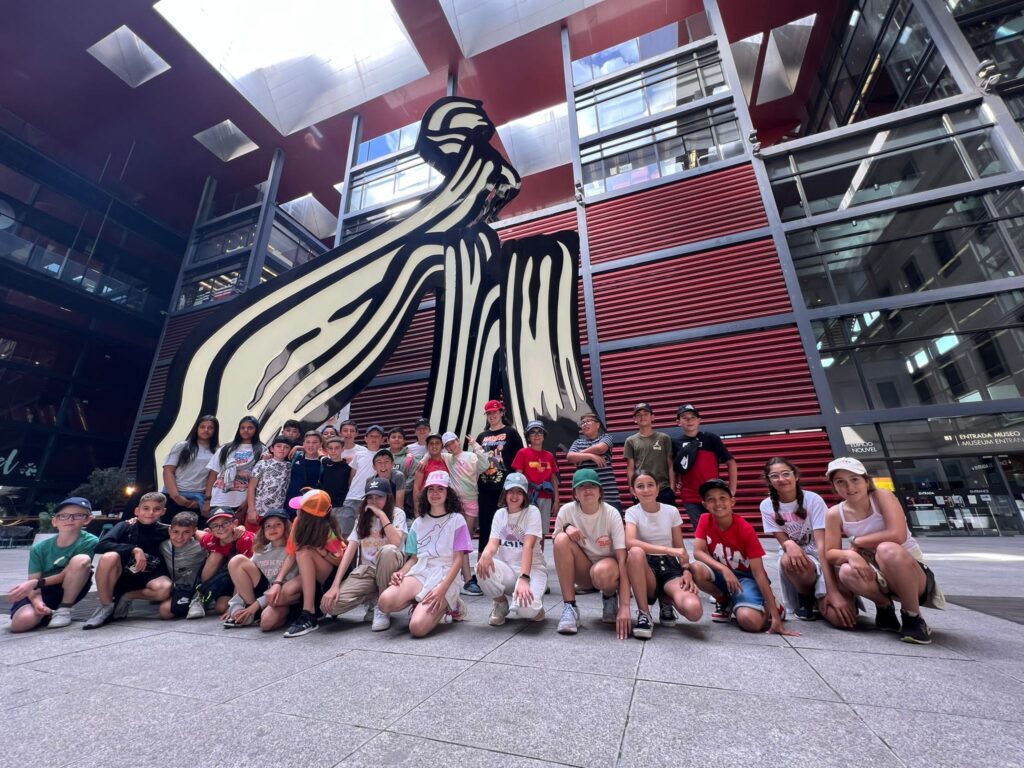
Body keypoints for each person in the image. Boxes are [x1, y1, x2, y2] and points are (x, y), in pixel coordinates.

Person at [824, 457, 945, 645]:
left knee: (886, 549)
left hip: (909, 571)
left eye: (854, 479)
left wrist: (857, 541)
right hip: (874, 573)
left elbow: (897, 535)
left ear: (866, 480)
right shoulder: (834, 513)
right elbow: (830, 552)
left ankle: (913, 616)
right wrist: (850, 554)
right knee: (847, 571)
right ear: (834, 486)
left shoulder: (882, 496)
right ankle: (884, 606)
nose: (849, 487)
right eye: (840, 482)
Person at [690, 480, 796, 636]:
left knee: (750, 622)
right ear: (705, 504)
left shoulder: (745, 529)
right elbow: (698, 552)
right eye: (711, 499)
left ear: (732, 501)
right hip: (724, 576)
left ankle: (771, 606)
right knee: (695, 569)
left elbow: (759, 573)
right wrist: (724, 569)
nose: (717, 503)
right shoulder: (705, 520)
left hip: (748, 579)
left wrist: (775, 617)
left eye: (722, 498)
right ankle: (724, 601)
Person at [760, 457, 853, 627]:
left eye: (786, 474)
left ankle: (823, 596)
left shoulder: (813, 500)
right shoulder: (766, 506)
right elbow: (783, 540)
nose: (781, 479)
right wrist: (789, 544)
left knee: (843, 621)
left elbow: (823, 546)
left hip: (822, 557)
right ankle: (806, 597)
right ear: (769, 481)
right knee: (789, 558)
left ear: (795, 476)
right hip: (800, 563)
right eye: (774, 476)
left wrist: (832, 592)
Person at [377, 471, 472, 637]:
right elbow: (413, 559)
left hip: (445, 574)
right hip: (421, 571)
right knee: (384, 602)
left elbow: (458, 560)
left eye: (440, 489)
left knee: (417, 628)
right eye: (431, 489)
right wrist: (400, 573)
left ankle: (452, 605)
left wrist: (441, 590)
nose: (435, 493)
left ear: (447, 493)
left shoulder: (457, 520)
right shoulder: (418, 523)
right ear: (425, 493)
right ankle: (419, 600)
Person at [552, 469, 630, 639]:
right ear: (575, 494)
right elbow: (557, 543)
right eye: (582, 487)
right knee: (560, 540)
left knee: (601, 571)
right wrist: (566, 527)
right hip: (584, 571)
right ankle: (570, 607)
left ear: (600, 491)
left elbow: (622, 558)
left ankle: (610, 597)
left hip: (608, 571)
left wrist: (625, 606)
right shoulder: (567, 511)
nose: (587, 490)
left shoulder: (611, 513)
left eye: (592, 486)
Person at [320, 477, 407, 631]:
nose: (374, 501)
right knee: (329, 606)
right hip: (367, 571)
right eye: (370, 497)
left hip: (391, 569)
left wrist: (381, 515)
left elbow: (396, 542)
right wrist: (335, 585)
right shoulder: (362, 518)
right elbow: (350, 550)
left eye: (379, 497)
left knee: (387, 551)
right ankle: (372, 597)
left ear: (388, 497)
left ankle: (382, 608)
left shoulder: (397, 513)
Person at [624, 473, 702, 639]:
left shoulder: (671, 511)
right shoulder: (632, 512)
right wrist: (667, 550)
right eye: (640, 486)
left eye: (650, 484)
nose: (646, 490)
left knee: (694, 610)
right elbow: (630, 542)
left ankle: (666, 599)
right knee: (635, 552)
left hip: (670, 567)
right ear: (633, 491)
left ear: (658, 489)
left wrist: (687, 571)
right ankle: (644, 613)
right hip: (646, 567)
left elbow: (680, 547)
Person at [84, 492, 173, 629]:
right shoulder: (125, 526)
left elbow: (190, 530)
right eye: (146, 508)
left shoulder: (167, 529)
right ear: (137, 511)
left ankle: (127, 596)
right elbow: (101, 545)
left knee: (165, 589)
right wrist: (134, 549)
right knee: (109, 557)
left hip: (150, 575)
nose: (150, 512)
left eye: (156, 509)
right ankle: (105, 606)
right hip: (123, 573)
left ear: (163, 511)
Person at [8, 496, 97, 632]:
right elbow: (33, 582)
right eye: (64, 516)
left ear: (88, 519)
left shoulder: (90, 542)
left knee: (81, 559)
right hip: (41, 590)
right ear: (54, 521)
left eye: (78, 515)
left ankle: (64, 609)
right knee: (20, 624)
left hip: (69, 586)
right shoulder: (39, 548)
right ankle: (48, 613)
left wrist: (35, 583)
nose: (70, 520)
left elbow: (64, 575)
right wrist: (38, 603)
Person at [476, 473, 546, 625]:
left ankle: (536, 605)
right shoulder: (500, 514)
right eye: (511, 491)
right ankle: (501, 603)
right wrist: (486, 554)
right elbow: (493, 543)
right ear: (505, 493)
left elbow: (528, 545)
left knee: (526, 612)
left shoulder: (532, 512)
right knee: (481, 566)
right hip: (508, 569)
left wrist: (524, 578)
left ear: (525, 495)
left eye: (519, 491)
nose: (514, 496)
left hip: (533, 570)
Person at [282, 489, 346, 637]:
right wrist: (278, 582)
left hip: (331, 575)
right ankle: (314, 608)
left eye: (301, 510)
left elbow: (340, 561)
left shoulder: (327, 529)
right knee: (285, 593)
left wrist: (320, 550)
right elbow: (291, 555)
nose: (297, 512)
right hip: (312, 572)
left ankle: (308, 613)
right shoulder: (298, 523)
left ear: (310, 516)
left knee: (304, 552)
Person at [223, 509, 301, 630]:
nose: (272, 528)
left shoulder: (292, 550)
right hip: (261, 592)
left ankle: (263, 613)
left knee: (266, 624)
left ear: (286, 526)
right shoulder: (261, 551)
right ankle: (251, 613)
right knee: (237, 560)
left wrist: (255, 606)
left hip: (281, 595)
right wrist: (234, 605)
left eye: (277, 524)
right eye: (267, 526)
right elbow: (242, 579)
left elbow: (285, 586)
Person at [673, 404, 737, 531]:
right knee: (700, 530)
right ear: (678, 422)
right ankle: (703, 551)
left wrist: (732, 489)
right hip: (690, 495)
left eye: (692, 417)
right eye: (685, 418)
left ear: (699, 420)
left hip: (713, 494)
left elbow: (731, 462)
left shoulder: (710, 438)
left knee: (720, 528)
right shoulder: (675, 443)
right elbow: (677, 467)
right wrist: (677, 481)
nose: (689, 420)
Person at [476, 400, 524, 564]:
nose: (492, 415)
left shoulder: (511, 433)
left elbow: (520, 460)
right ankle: (482, 565)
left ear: (502, 412)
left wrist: (519, 486)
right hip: (485, 488)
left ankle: (509, 564)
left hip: (506, 489)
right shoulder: (482, 436)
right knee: (485, 526)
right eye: (489, 413)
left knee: (507, 527)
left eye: (495, 412)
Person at [439, 431, 487, 594]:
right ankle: (466, 579)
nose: (451, 446)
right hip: (457, 503)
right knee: (463, 539)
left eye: (453, 442)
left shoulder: (471, 456)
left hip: (472, 500)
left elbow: (485, 464)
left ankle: (460, 572)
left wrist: (475, 445)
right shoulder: (447, 458)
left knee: (468, 535)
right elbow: (432, 452)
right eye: (448, 445)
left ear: (458, 441)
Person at [188, 509, 256, 619]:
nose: (221, 528)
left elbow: (244, 576)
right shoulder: (211, 539)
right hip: (227, 578)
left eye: (225, 523)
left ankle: (240, 602)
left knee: (227, 606)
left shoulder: (246, 539)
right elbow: (196, 532)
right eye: (215, 525)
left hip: (247, 579)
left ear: (235, 523)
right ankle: (201, 594)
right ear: (210, 530)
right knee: (220, 608)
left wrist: (234, 605)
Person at [204, 415, 264, 523]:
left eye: (250, 428)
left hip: (240, 501)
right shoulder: (225, 448)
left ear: (256, 430)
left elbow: (257, 482)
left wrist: (246, 504)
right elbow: (213, 473)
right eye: (243, 427)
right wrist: (207, 499)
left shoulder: (262, 450)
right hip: (219, 499)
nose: (246, 430)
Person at [161, 414, 219, 522]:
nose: (206, 430)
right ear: (196, 428)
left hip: (198, 499)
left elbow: (213, 478)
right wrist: (176, 497)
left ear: (215, 431)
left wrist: (207, 501)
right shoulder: (182, 446)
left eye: (210, 427)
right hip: (174, 496)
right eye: (202, 427)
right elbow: (168, 471)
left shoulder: (217, 451)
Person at [512, 420, 559, 536]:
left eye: (540, 432)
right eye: (532, 432)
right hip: (528, 497)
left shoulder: (549, 456)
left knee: (541, 533)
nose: (536, 435)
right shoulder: (522, 453)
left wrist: (557, 500)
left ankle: (539, 555)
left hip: (546, 497)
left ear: (544, 436)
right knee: (525, 531)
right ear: (528, 437)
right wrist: (519, 499)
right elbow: (518, 479)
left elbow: (553, 479)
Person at [158, 511, 208, 620]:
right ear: (169, 531)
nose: (179, 537)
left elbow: (219, 540)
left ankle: (200, 599)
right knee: (165, 612)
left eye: (186, 532)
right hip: (178, 589)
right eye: (175, 531)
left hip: (197, 587)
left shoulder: (201, 545)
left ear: (194, 531)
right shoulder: (163, 545)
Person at [566, 413, 621, 511]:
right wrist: (591, 456)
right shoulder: (577, 442)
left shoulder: (606, 437)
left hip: (608, 491)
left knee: (612, 523)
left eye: (588, 421)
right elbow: (570, 457)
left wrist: (580, 454)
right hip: (586, 494)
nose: (585, 424)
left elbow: (600, 448)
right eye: (582, 423)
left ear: (598, 425)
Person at [623, 402, 674, 505]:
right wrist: (632, 489)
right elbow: (630, 467)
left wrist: (672, 488)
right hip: (642, 490)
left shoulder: (664, 438)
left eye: (646, 414)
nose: (642, 417)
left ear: (653, 417)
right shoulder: (630, 441)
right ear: (635, 419)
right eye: (639, 415)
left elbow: (671, 465)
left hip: (663, 488)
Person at [246, 436, 293, 532]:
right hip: (258, 512)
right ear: (272, 448)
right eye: (279, 446)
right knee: (252, 541)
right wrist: (251, 509)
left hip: (277, 513)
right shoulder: (263, 463)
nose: (282, 449)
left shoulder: (289, 466)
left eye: (286, 447)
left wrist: (298, 448)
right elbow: (251, 487)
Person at [337, 420, 374, 537]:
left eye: (352, 431)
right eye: (345, 430)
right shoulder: (334, 449)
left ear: (357, 434)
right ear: (340, 433)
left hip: (354, 494)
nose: (349, 433)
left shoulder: (362, 451)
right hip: (339, 496)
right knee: (340, 531)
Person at [319, 437, 353, 526]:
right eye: (330, 448)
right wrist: (298, 447)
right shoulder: (325, 462)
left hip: (340, 505)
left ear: (342, 449)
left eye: (337, 448)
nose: (333, 451)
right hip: (324, 505)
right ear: (327, 449)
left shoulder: (348, 467)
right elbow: (319, 452)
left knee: (339, 533)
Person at [286, 431, 324, 502]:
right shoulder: (295, 455)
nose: (311, 445)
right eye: (308, 442)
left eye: (315, 442)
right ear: (303, 444)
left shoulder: (323, 461)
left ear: (320, 444)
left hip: (311, 502)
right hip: (291, 500)